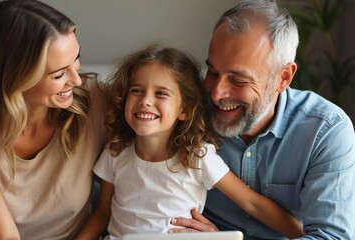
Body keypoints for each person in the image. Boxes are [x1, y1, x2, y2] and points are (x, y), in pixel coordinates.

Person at [74, 45, 303, 240]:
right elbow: (102, 213)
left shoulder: (198, 156)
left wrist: (301, 234)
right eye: (136, 90)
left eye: (161, 93)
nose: (145, 101)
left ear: (183, 110)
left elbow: (252, 203)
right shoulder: (115, 152)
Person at [170, 0, 355, 239]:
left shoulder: (325, 131)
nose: (216, 93)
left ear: (283, 78)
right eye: (213, 72)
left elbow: (331, 237)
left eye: (238, 80)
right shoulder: (188, 113)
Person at [0, 0, 105, 239]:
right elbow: (3, 235)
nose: (76, 80)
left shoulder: (94, 101)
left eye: (76, 58)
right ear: (17, 76)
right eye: (58, 74)